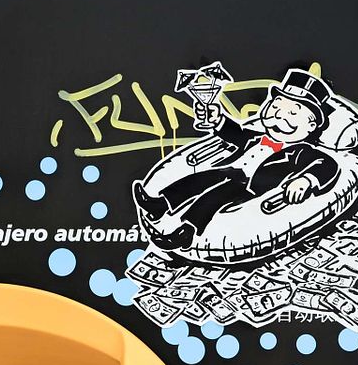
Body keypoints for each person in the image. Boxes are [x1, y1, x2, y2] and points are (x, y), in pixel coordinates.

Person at [133, 69, 342, 249]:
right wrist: (217, 119)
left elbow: (327, 165)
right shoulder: (257, 136)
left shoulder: (302, 151)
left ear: (311, 126)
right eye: (276, 107)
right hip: (231, 170)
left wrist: (306, 180)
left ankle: (186, 232)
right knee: (196, 180)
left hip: (250, 186)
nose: (279, 116)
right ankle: (160, 205)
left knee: (212, 198)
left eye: (293, 113)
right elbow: (237, 133)